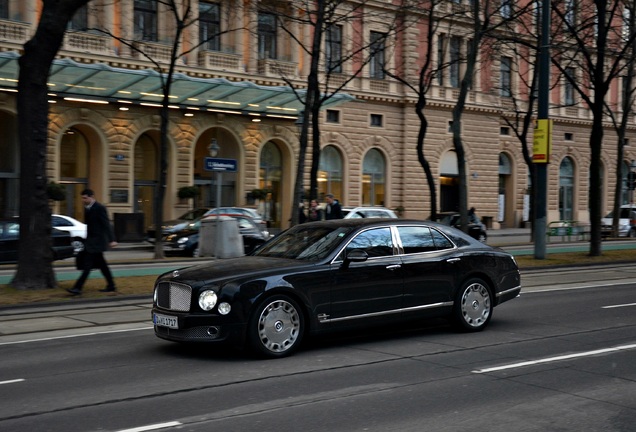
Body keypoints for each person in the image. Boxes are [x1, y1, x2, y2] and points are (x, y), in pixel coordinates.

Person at [67, 189, 118, 295]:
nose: (83, 200)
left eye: (85, 198)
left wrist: (112, 239)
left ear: (91, 197)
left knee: (88, 266)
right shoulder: (88, 208)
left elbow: (106, 224)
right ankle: (111, 285)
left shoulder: (99, 208)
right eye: (82, 198)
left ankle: (77, 288)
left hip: (97, 243)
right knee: (103, 266)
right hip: (91, 242)